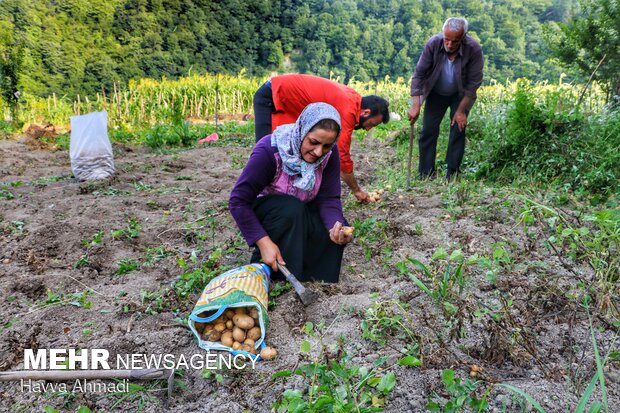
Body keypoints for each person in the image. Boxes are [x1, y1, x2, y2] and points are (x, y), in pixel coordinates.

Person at [229, 102, 354, 283]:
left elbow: (328, 198)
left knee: (333, 224)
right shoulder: (270, 151)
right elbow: (238, 201)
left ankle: (313, 278)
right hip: (268, 213)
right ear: (302, 131)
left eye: (326, 145)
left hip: (300, 207)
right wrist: (263, 242)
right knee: (291, 209)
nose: (319, 152)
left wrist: (337, 228)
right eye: (313, 142)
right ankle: (278, 275)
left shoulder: (329, 154)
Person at [253, 74, 390, 203]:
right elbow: (342, 158)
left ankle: (288, 192)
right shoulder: (347, 109)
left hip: (286, 99)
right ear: (366, 112)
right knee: (269, 148)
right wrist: (357, 191)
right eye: (371, 124)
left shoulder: (353, 100)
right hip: (272, 95)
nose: (367, 129)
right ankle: (257, 195)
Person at [408, 17, 484, 180]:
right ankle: (426, 173)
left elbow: (473, 84)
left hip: (461, 95)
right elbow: (419, 75)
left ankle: (452, 174)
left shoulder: (473, 49)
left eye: (454, 42)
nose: (449, 45)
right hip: (436, 93)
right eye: (447, 40)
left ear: (463, 39)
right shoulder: (434, 43)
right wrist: (416, 105)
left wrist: (461, 111)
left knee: (458, 129)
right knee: (428, 130)